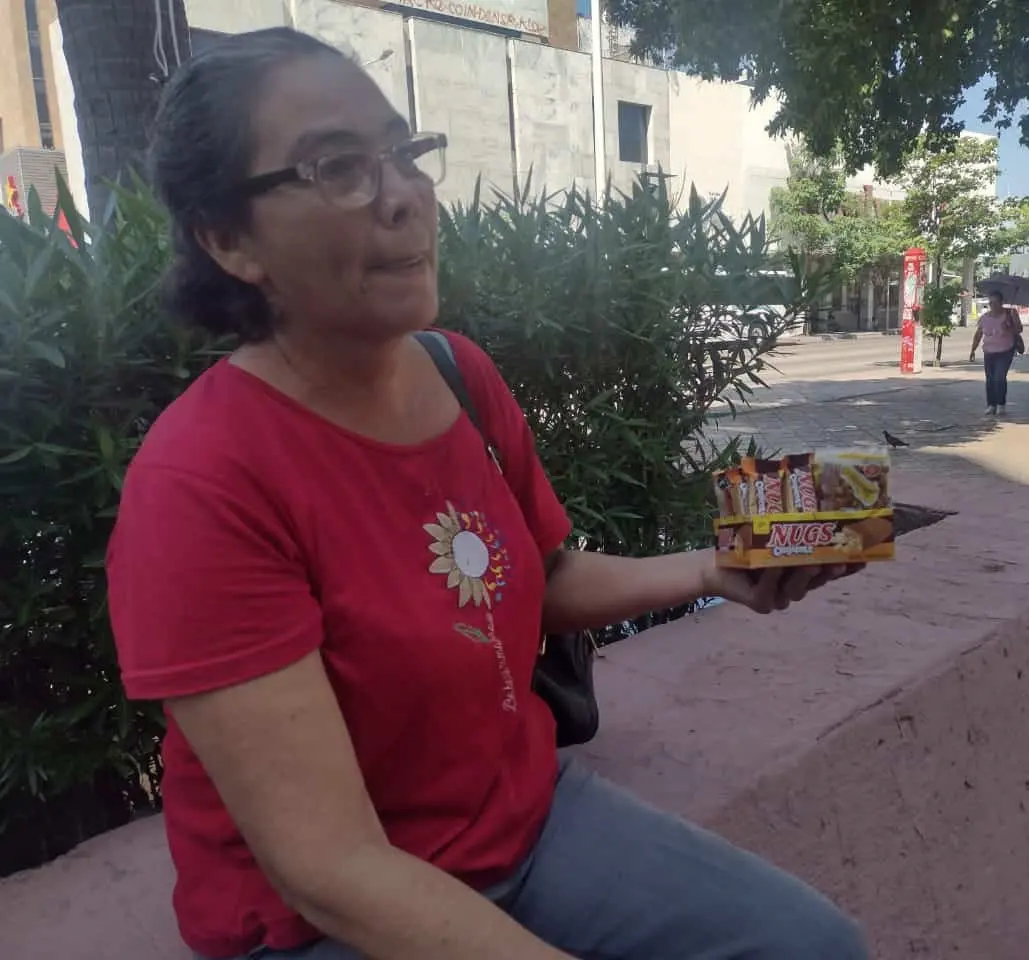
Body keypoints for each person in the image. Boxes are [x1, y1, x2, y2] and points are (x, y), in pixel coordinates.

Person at [105, 28, 872, 960]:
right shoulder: (201, 484)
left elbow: (541, 578)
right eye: (339, 167)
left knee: (813, 947)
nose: (403, 197)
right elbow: (329, 867)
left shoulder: (454, 372)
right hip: (326, 921)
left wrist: (715, 569)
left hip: (528, 825)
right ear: (229, 238)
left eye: (404, 153)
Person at [968, 291, 1022, 415]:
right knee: (990, 378)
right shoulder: (985, 318)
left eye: (996, 302)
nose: (993, 305)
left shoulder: (1010, 313)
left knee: (999, 377)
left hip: (1005, 351)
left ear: (1001, 303)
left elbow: (1019, 329)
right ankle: (991, 404)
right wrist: (973, 350)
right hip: (989, 351)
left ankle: (1000, 404)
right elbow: (978, 335)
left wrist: (1009, 326)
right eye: (991, 303)